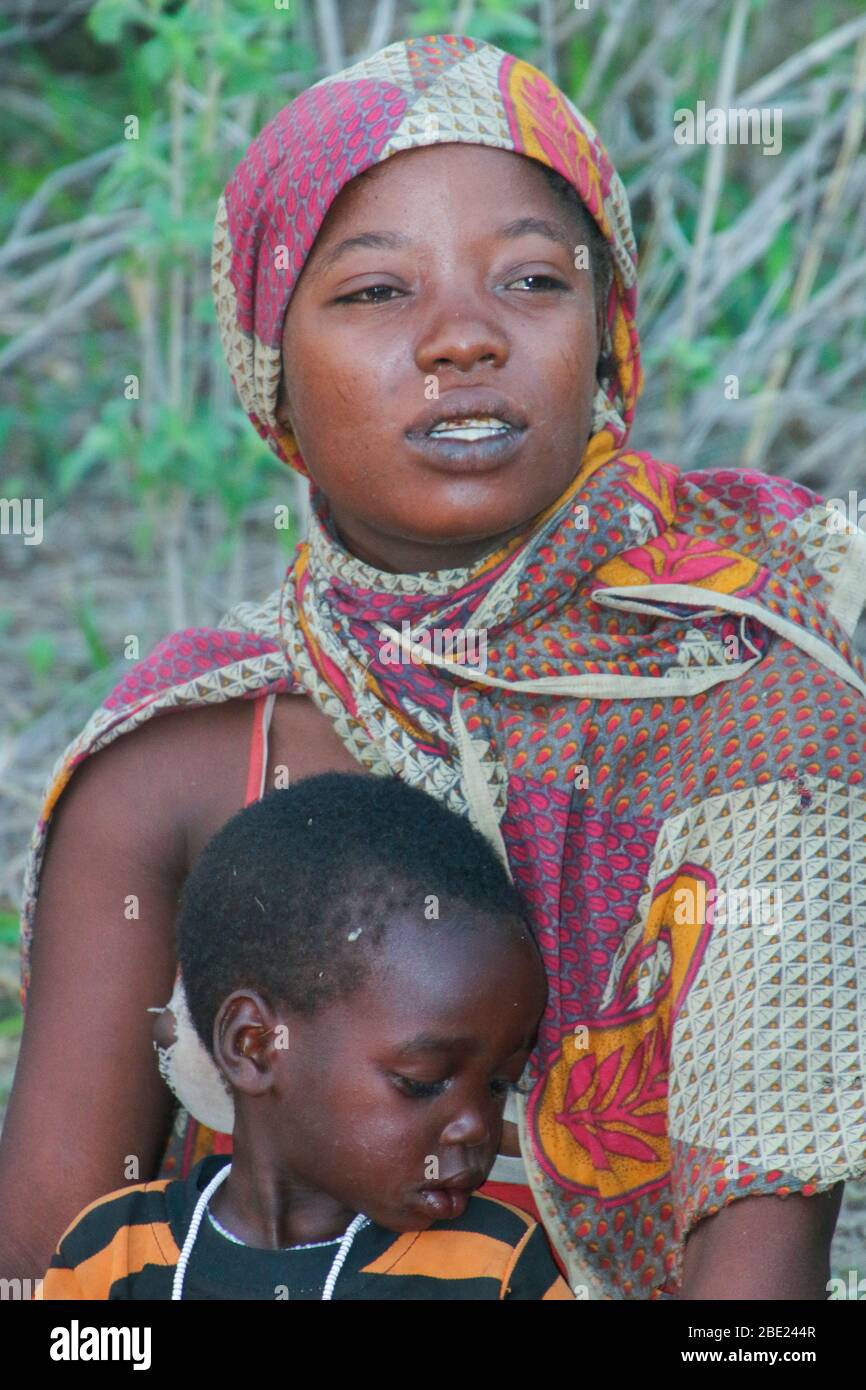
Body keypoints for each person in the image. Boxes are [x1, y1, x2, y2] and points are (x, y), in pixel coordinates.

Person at [3, 32, 866, 1301]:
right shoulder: (185, 752)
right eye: (372, 292)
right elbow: (46, 1269)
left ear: (608, 336)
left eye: (529, 280)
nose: (462, 337)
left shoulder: (749, 696)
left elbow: (756, 1295)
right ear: (268, 370)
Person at [38, 773, 571, 1301]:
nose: (476, 1125)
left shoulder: (493, 1267)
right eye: (423, 1081)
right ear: (255, 1045)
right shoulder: (114, 1255)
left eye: (499, 1085)